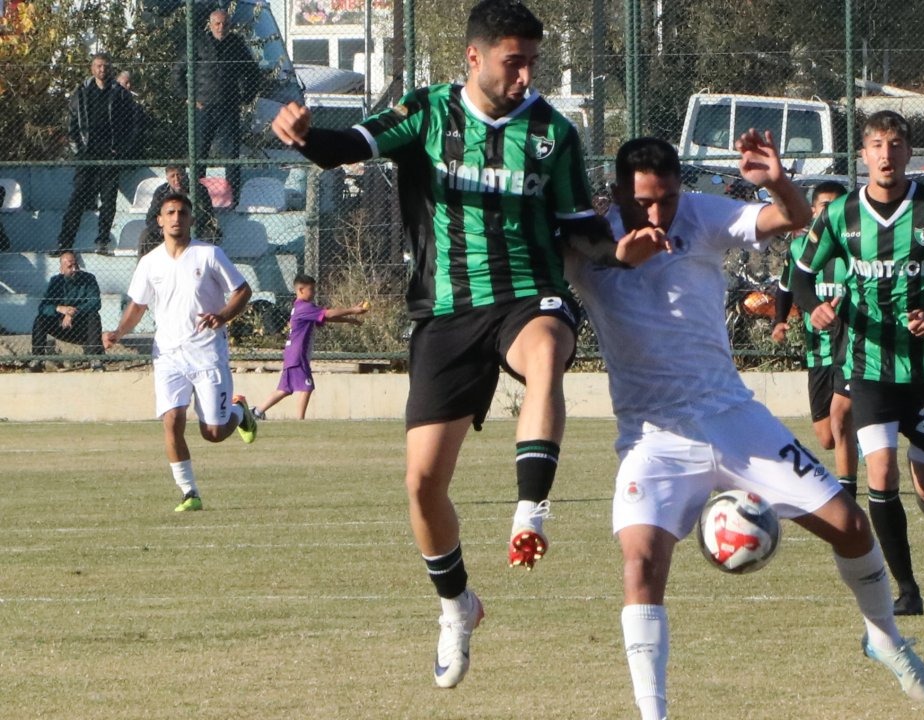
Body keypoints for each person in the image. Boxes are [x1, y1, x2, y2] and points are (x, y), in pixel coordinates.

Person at [269, 0, 618, 689]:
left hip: (529, 293)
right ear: (475, 58)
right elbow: (348, 148)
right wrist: (305, 136)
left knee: (547, 355)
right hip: (446, 313)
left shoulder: (553, 133)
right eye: (512, 62)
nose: (524, 75)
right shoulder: (426, 113)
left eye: (531, 62)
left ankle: (532, 509)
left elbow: (580, 229)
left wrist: (618, 247)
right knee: (423, 484)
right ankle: (457, 605)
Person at [564, 134, 924, 719]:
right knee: (640, 562)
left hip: (733, 416)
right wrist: (613, 251)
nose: (659, 214)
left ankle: (886, 639)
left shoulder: (700, 214)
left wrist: (777, 180)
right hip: (653, 435)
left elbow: (792, 219)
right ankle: (653, 714)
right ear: (619, 194)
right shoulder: (588, 241)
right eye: (644, 203)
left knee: (850, 525)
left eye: (666, 198)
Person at [789, 110, 924, 617]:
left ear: (908, 152)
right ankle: (908, 589)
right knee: (882, 469)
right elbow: (802, 276)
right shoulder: (839, 215)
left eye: (895, 144)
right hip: (870, 367)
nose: (885, 154)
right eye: (876, 144)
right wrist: (814, 307)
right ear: (864, 155)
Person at [102, 191, 259, 512]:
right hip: (168, 356)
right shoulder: (150, 262)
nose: (176, 218)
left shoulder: (209, 255)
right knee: (172, 420)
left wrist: (224, 316)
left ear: (190, 219)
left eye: (182, 213)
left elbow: (243, 290)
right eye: (170, 213)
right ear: (159, 220)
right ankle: (189, 492)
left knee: (213, 433)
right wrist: (119, 331)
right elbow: (138, 305)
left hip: (208, 354)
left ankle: (240, 412)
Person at [770, 180, 858, 498]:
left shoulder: (857, 247)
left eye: (838, 206)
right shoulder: (800, 247)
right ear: (813, 210)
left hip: (851, 347)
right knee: (826, 437)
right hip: (816, 351)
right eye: (825, 206)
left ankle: (847, 490)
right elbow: (786, 287)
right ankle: (858, 439)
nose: (831, 212)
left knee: (840, 416)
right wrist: (780, 321)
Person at [250, 274, 369, 420]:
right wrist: (353, 310)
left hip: (292, 353)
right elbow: (329, 313)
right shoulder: (304, 307)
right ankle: (300, 422)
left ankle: (256, 412)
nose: (314, 292)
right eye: (311, 289)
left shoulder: (304, 308)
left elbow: (327, 317)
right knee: (306, 387)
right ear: (300, 290)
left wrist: (349, 320)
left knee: (285, 389)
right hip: (298, 354)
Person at [56, 53, 140, 255]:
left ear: (110, 68)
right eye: (98, 66)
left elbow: (132, 124)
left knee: (109, 200)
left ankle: (102, 241)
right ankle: (64, 244)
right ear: (92, 68)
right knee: (77, 198)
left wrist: (120, 149)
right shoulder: (82, 92)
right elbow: (72, 123)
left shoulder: (119, 93)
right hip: (87, 154)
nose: (102, 70)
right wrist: (78, 149)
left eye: (105, 66)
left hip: (110, 154)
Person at [174, 8, 258, 205]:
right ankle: (196, 199)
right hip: (203, 108)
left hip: (229, 108)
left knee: (231, 155)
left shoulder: (236, 44)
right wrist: (188, 97)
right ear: (210, 25)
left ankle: (233, 200)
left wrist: (245, 98)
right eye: (217, 24)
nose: (221, 28)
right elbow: (177, 72)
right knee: (198, 154)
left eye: (225, 24)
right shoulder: (197, 42)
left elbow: (253, 72)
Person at [30, 251, 105, 370]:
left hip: (82, 325)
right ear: (62, 269)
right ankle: (37, 359)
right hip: (62, 324)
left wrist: (73, 312)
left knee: (94, 316)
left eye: (75, 265)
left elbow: (96, 302)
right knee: (40, 319)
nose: (74, 269)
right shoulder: (56, 281)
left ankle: (95, 359)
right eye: (70, 267)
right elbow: (43, 307)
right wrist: (60, 309)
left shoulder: (89, 279)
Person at [141, 166, 220, 255]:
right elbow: (150, 218)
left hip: (194, 227)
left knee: (210, 234)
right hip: (168, 228)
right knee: (146, 235)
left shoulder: (200, 189)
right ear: (167, 178)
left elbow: (207, 214)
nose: (176, 179)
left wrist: (189, 226)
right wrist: (163, 230)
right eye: (172, 176)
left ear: (185, 175)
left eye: (179, 175)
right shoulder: (161, 192)